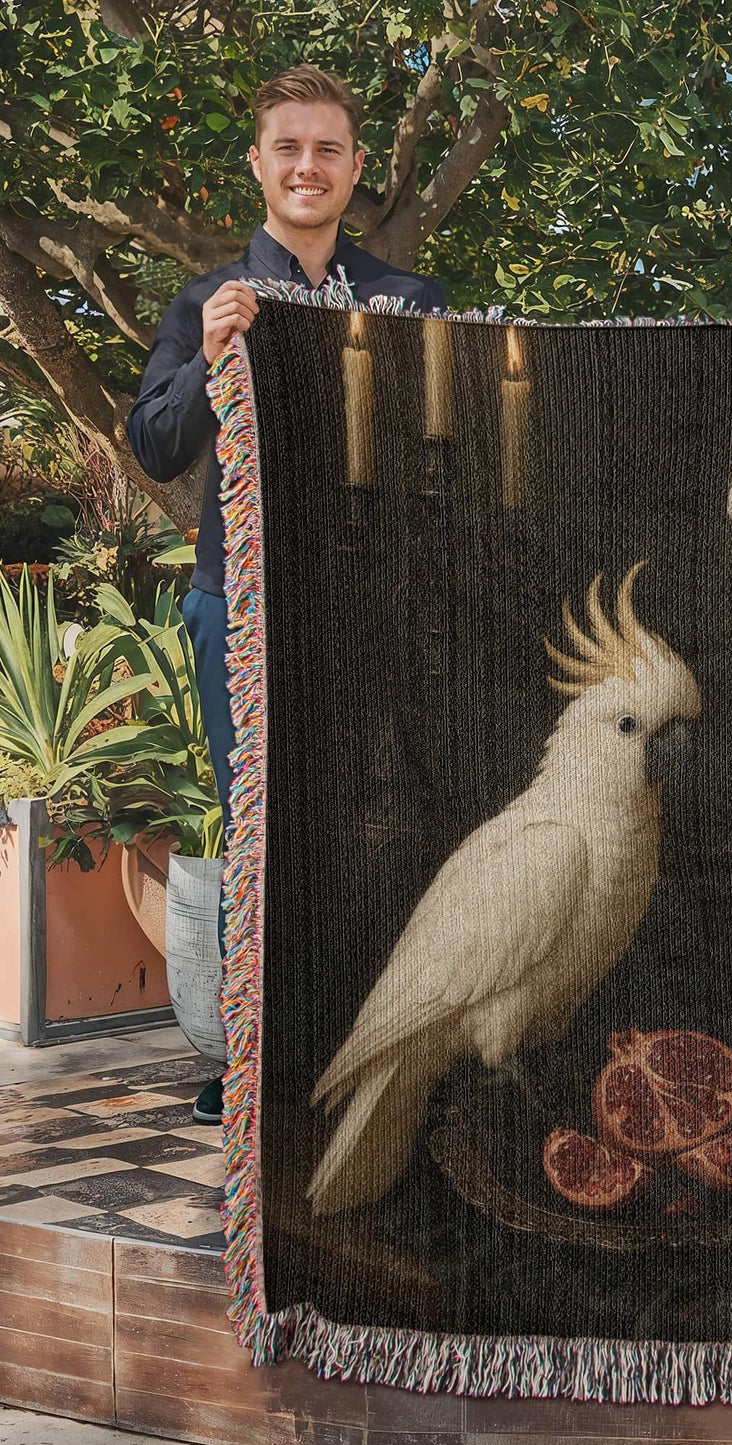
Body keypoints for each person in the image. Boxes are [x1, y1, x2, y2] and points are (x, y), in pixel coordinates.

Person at [127, 65, 445, 1125]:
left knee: (372, 823)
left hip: (375, 608)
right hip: (245, 608)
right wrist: (209, 353)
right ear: (259, 165)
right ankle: (257, 1056)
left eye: (327, 149)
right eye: (288, 148)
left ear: (356, 169)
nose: (307, 166)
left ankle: (368, 1047)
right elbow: (156, 444)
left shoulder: (409, 308)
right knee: (259, 829)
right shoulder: (209, 299)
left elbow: (453, 465)